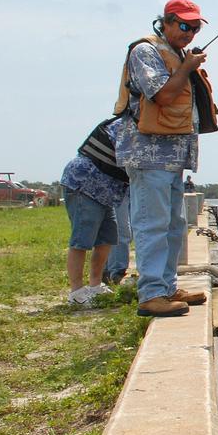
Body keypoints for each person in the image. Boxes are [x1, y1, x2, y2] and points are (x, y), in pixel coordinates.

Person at [114, 0, 218, 318]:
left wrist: (186, 63)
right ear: (167, 21)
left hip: (173, 157)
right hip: (149, 155)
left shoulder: (178, 55)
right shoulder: (145, 51)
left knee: (175, 224)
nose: (190, 33)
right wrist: (188, 68)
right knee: (152, 224)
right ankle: (150, 294)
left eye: (195, 28)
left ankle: (167, 286)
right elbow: (161, 94)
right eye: (185, 26)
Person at [61, 119, 128, 304]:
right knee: (82, 239)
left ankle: (95, 285)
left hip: (106, 190)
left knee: (107, 238)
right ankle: (76, 293)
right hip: (84, 183)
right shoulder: (127, 125)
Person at [105, 191, 131, 284]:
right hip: (117, 184)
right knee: (120, 229)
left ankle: (109, 270)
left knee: (123, 229)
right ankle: (116, 273)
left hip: (129, 184)